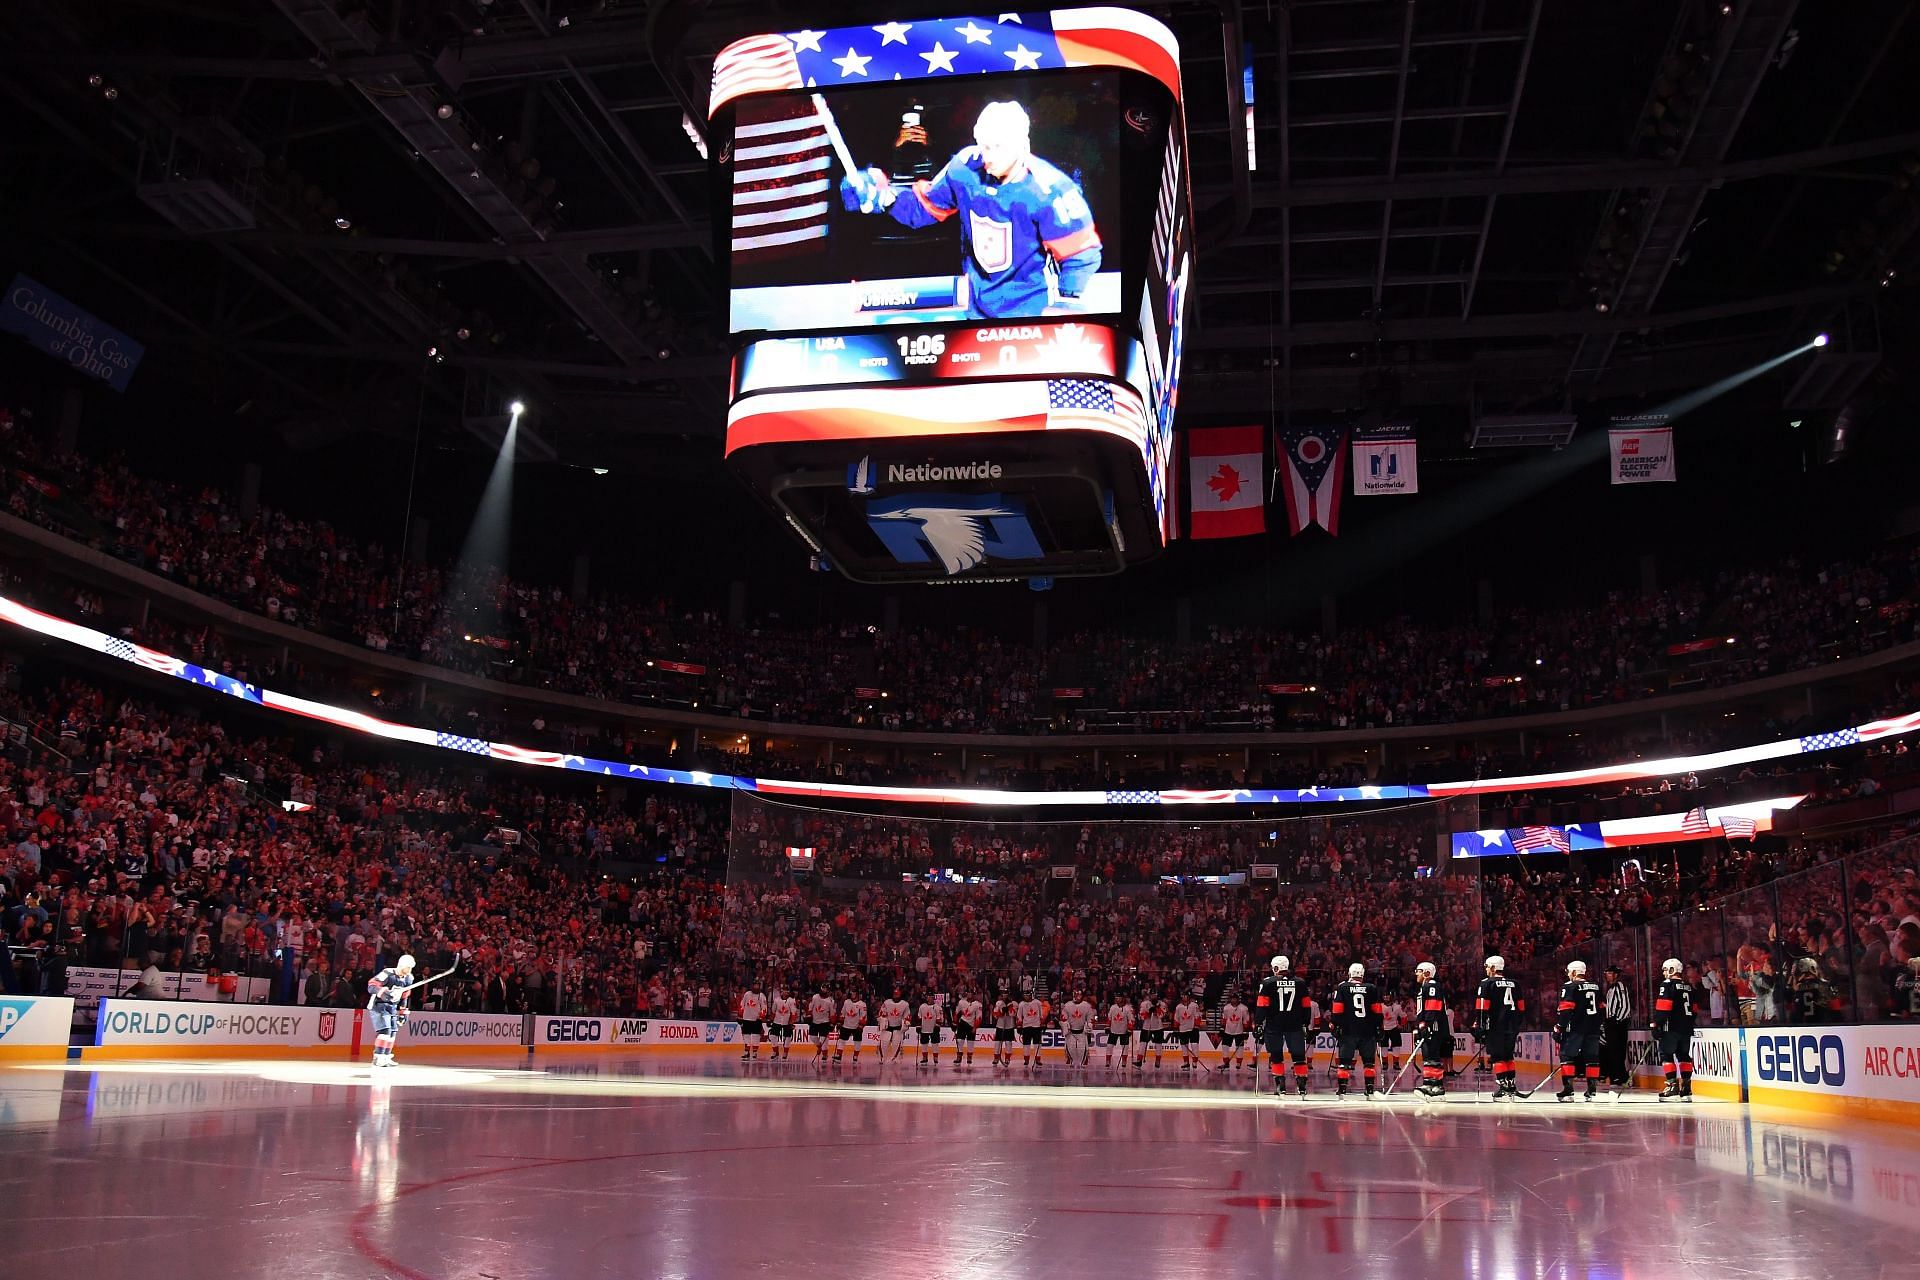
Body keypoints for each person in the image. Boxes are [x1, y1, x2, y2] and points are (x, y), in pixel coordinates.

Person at [838, 100, 1102, 320]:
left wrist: (1068, 300)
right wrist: (882, 197)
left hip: (1031, 310)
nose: (989, 156)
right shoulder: (964, 167)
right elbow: (922, 209)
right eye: (985, 145)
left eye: (999, 147)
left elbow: (1082, 253)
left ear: (1023, 144)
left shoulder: (1050, 188)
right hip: (975, 309)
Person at [1257, 955, 1312, 1097]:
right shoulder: (1300, 983)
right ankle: (1301, 1085)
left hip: (1274, 1024)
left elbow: (1262, 1006)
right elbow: (1306, 1006)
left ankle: (1280, 1085)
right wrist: (1305, 1023)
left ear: (1276, 968)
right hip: (1294, 1024)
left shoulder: (1267, 983)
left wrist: (1258, 1023)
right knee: (1299, 1056)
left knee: (1276, 1055)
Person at [1328, 962, 1384, 1098]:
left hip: (1348, 1031)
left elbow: (1337, 1009)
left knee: (1345, 1062)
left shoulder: (1343, 987)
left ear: (1350, 974)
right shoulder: (1371, 988)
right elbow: (1377, 1010)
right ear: (1362, 974)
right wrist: (1379, 1027)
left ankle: (1342, 1089)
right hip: (1368, 1031)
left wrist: (1335, 1024)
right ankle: (1370, 1089)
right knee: (1369, 1062)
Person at [1475, 955, 1526, 1100]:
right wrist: (1517, 1023)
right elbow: (1521, 1007)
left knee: (1498, 1057)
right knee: (1508, 1056)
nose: (1485, 969)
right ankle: (1511, 1086)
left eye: (1486, 967)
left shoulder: (1486, 984)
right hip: (1512, 1026)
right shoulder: (1515, 984)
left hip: (1495, 1026)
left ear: (1492, 968)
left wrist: (1480, 1025)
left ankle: (1503, 1088)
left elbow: (1482, 1008)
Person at [1555, 960, 1605, 1101]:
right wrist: (1598, 1024)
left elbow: (1565, 1010)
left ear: (1575, 972)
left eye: (1570, 972)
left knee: (1567, 1056)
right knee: (1592, 1058)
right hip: (1593, 1028)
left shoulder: (1569, 986)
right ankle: (1592, 1091)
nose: (1569, 975)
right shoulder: (1595, 986)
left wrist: (1559, 1027)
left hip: (1576, 1029)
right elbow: (1602, 1008)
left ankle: (1568, 1090)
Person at [1650, 957, 1698, 1099]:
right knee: (1684, 1056)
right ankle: (1687, 1088)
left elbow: (1663, 1006)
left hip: (1670, 1027)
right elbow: (1695, 1009)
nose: (1664, 973)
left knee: (1666, 1055)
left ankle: (1672, 1086)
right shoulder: (1689, 986)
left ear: (1672, 970)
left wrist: (1656, 1024)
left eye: (1665, 970)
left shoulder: (1667, 984)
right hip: (1686, 1027)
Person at [365, 953, 417, 1069]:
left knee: (393, 1031)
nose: (409, 970)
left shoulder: (409, 978)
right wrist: (382, 991)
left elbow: (405, 995)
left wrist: (403, 1011)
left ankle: (386, 1056)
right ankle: (378, 1056)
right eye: (408, 967)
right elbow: (371, 986)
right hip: (378, 1006)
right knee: (385, 1031)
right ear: (401, 965)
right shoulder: (387, 973)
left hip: (392, 1007)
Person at [1412, 961, 1451, 1098]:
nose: (1416, 973)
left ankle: (1431, 1085)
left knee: (1431, 1054)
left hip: (1433, 1026)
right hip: (1430, 1025)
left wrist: (1425, 1024)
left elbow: (1432, 1007)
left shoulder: (1431, 986)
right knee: (1429, 1055)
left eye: (1419, 970)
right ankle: (1435, 1085)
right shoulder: (1426, 986)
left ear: (1426, 973)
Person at [1601, 963, 1633, 1088]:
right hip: (1612, 1022)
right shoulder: (1611, 988)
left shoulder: (1619, 986)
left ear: (1616, 975)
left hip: (1617, 1023)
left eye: (1609, 973)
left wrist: (1617, 1020)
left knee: (1617, 1051)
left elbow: (1624, 1005)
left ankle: (1620, 1076)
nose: (1607, 976)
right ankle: (1617, 1075)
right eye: (1607, 973)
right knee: (1613, 1051)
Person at [1061, 990, 1094, 1069]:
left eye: (1079, 995)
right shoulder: (1067, 1005)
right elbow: (1063, 1018)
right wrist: (1065, 1025)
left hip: (1082, 1031)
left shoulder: (1087, 1006)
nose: (1077, 997)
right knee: (1070, 1048)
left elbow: (1091, 1019)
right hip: (1070, 1031)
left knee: (1082, 1049)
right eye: (1075, 995)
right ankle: (1071, 1060)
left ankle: (1083, 1062)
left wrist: (1089, 1025)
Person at [1218, 994, 1252, 1071]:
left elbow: (1246, 1019)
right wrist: (1222, 1028)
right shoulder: (1226, 1008)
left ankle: (1238, 1063)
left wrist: (1246, 1030)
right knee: (1224, 1046)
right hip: (1228, 1030)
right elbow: (1224, 1018)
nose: (1234, 1000)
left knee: (1239, 1047)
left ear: (1238, 999)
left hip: (1239, 1031)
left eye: (1235, 999)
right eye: (1232, 999)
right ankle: (1226, 1063)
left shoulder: (1244, 1008)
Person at [1172, 994, 1203, 1071]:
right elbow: (1176, 1018)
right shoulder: (1178, 1007)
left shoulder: (1194, 1005)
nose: (1184, 997)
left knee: (1194, 1046)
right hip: (1182, 1029)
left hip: (1193, 1029)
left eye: (1186, 996)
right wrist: (1176, 1028)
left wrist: (1196, 1026)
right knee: (1184, 1047)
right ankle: (1186, 1063)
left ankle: (1195, 1063)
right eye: (1183, 996)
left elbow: (1198, 1016)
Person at [837, 989, 868, 1065]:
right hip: (846, 1025)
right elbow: (843, 1012)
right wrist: (840, 1022)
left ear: (857, 994)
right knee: (841, 1040)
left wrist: (861, 1025)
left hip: (856, 1026)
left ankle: (855, 1056)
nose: (852, 994)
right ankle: (839, 1055)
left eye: (854, 993)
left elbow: (863, 1016)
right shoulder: (847, 1002)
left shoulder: (862, 1004)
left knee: (857, 1042)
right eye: (851, 993)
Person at [878, 988, 910, 1062]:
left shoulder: (905, 1004)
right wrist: (882, 1019)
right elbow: (881, 1012)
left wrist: (906, 1022)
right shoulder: (887, 1002)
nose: (895, 996)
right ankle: (882, 1058)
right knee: (884, 1043)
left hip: (898, 1026)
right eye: (894, 995)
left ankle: (895, 1058)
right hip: (887, 1025)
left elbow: (907, 1016)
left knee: (896, 1043)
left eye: (897, 995)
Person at [1017, 991, 1047, 1069]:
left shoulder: (1037, 1003)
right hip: (1026, 1026)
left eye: (1028, 995)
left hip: (1036, 1026)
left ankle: (1038, 1059)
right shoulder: (1021, 1004)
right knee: (1026, 1044)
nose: (1026, 997)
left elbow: (1041, 1014)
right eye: (1025, 995)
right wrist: (1019, 1026)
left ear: (1031, 995)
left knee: (1037, 1044)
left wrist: (1043, 1024)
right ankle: (1026, 1060)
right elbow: (1019, 1016)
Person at [738, 985, 767, 1061]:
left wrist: (762, 1015)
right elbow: (742, 1004)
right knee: (746, 1035)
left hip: (756, 1019)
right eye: (755, 985)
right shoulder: (747, 994)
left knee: (756, 1036)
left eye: (757, 986)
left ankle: (754, 1052)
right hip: (746, 1018)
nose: (756, 987)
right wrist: (740, 1013)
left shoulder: (761, 996)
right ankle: (746, 1052)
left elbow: (764, 1007)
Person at [807, 988, 836, 1064]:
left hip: (825, 1022)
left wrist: (832, 1023)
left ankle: (825, 1055)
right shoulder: (815, 997)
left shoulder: (830, 1001)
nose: (823, 991)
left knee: (824, 1040)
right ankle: (819, 1046)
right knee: (812, 1037)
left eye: (825, 989)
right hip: (814, 1021)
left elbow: (832, 1013)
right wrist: (809, 1015)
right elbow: (810, 1007)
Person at [956, 992, 984, 1068]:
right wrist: (955, 1022)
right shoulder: (961, 1002)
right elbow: (957, 1012)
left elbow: (979, 1017)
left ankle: (969, 1057)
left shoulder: (978, 1005)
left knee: (970, 1041)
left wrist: (975, 1027)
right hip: (962, 1022)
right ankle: (959, 1056)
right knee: (959, 1040)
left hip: (971, 1025)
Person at [1105, 995, 1134, 1067]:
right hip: (1113, 1030)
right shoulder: (1113, 1007)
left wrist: (1130, 1029)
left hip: (1124, 1031)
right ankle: (1108, 1061)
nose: (1117, 999)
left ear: (1122, 998)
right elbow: (1109, 1018)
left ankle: (1124, 1061)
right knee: (1109, 1046)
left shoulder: (1128, 1008)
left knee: (1125, 1047)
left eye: (1119, 998)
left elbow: (1131, 1019)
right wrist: (1107, 1027)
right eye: (1116, 998)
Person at [770, 989, 798, 1061]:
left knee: (788, 1038)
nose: (785, 993)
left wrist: (791, 1022)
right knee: (772, 1036)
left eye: (787, 991)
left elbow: (794, 1013)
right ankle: (775, 1052)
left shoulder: (791, 1001)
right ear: (781, 992)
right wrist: (771, 1020)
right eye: (784, 991)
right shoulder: (776, 1000)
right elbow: (773, 1011)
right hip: (777, 1020)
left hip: (787, 1022)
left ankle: (785, 1053)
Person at [1140, 996, 1167, 1070]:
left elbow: (1162, 1015)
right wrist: (1148, 1012)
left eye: (1155, 995)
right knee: (1143, 1043)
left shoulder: (1162, 1004)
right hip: (1146, 1026)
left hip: (1158, 1027)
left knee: (1158, 1044)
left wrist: (1157, 1010)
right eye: (1152, 995)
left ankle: (1157, 1060)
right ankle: (1139, 1060)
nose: (1154, 996)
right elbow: (1141, 1016)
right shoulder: (1144, 1004)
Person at [915, 994, 942, 1067]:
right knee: (924, 1043)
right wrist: (918, 1026)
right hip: (924, 1028)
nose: (930, 998)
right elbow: (919, 1017)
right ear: (926, 998)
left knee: (935, 1043)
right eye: (928, 997)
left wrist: (937, 1026)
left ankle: (935, 1058)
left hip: (933, 1028)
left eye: (931, 997)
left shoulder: (937, 1007)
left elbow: (940, 1018)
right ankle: (924, 1058)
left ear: (933, 998)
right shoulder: (922, 1006)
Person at [992, 995, 1018, 1067]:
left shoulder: (1014, 1003)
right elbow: (995, 1014)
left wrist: (1009, 1009)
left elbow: (1014, 1014)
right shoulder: (998, 1003)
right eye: (1003, 994)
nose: (1005, 996)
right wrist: (1002, 1012)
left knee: (1008, 1042)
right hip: (1000, 1025)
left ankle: (1007, 1058)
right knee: (997, 1042)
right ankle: (996, 1058)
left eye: (1006, 994)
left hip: (1009, 1026)